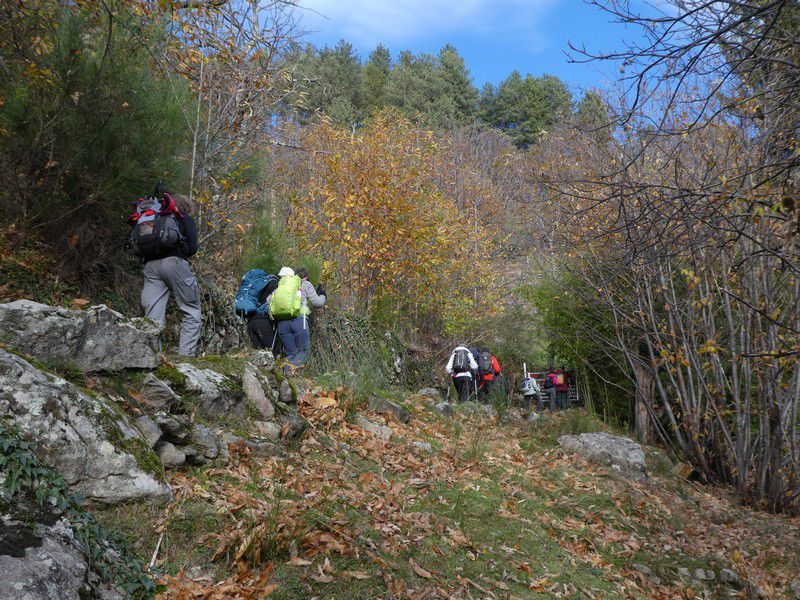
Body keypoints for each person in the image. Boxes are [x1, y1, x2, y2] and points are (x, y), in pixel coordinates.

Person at [131, 189, 201, 357]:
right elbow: (192, 248)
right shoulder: (183, 218)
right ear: (186, 207)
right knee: (190, 309)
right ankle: (186, 357)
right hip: (174, 263)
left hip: (150, 266)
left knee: (153, 315)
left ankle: (153, 357)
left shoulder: (154, 218)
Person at [269, 266, 326, 371]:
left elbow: (268, 301)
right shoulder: (306, 284)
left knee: (291, 353)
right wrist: (322, 294)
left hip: (282, 323)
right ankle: (289, 372)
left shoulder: (281, 285)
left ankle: (286, 375)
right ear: (306, 277)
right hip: (299, 321)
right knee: (304, 351)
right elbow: (318, 303)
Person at [246, 275, 281, 353]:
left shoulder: (260, 285)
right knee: (273, 351)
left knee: (256, 353)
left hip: (250, 321)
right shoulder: (275, 284)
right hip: (263, 321)